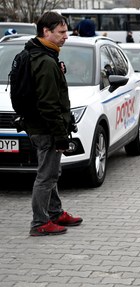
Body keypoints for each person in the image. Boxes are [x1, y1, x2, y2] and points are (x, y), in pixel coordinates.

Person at [24, 12, 83, 236]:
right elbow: (49, 104)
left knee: (52, 171)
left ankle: (55, 212)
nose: (66, 36)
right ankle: (39, 223)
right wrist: (60, 136)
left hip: (40, 126)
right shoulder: (45, 61)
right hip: (46, 129)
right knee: (46, 176)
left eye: (65, 31)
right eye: (61, 32)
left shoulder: (41, 54)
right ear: (46, 32)